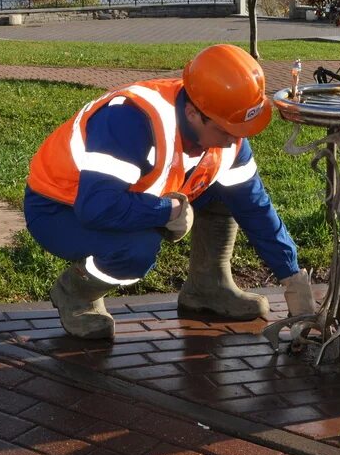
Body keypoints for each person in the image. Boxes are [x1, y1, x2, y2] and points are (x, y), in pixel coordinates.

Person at [24, 44, 316, 340]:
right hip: (59, 207)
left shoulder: (227, 132)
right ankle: (77, 293)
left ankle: (208, 287)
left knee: (229, 195)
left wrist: (292, 277)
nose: (234, 141)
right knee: (137, 251)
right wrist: (168, 211)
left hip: (116, 200)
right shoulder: (131, 121)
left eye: (240, 129)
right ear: (193, 113)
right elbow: (97, 206)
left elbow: (255, 207)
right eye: (226, 130)